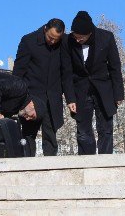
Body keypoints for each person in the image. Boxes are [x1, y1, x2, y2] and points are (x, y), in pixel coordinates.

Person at [62, 11, 123, 155]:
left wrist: (118, 93)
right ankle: (86, 161)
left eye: (81, 38)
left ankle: (105, 161)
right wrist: (70, 98)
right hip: (80, 91)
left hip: (104, 90)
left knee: (106, 129)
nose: (77, 40)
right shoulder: (67, 41)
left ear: (89, 33)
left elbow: (115, 67)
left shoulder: (106, 37)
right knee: (83, 132)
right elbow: (66, 71)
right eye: (75, 37)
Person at [12, 18, 74, 156]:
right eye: (50, 37)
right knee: (28, 135)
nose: (52, 41)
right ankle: (26, 166)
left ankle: (51, 168)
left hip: (53, 99)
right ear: (45, 29)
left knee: (51, 136)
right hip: (30, 98)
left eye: (56, 39)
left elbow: (67, 73)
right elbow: (18, 72)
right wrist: (20, 100)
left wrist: (70, 98)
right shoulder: (29, 41)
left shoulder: (64, 42)